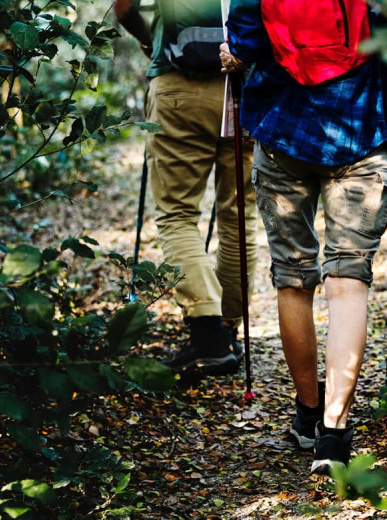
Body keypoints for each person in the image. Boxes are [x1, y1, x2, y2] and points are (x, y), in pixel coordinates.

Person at [222, 0, 387, 474]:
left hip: (284, 132)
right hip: (363, 132)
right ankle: (334, 435)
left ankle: (307, 415)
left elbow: (245, 45)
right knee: (348, 282)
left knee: (293, 278)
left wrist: (232, 56)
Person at [115, 0, 258, 377]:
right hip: (247, 88)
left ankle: (208, 335)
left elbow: (124, 7)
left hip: (180, 85)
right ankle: (227, 332)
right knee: (239, 213)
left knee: (177, 214)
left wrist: (149, 42)